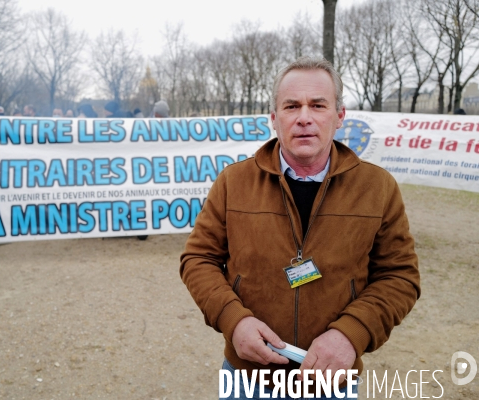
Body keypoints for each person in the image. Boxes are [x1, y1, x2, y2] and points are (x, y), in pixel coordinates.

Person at [180, 57, 420, 399]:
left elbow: (400, 277)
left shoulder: (377, 187)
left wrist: (351, 333)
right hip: (248, 377)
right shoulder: (233, 182)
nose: (304, 117)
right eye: (292, 106)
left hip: (331, 378)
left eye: (318, 105)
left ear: (339, 116)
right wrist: (235, 321)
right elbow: (198, 259)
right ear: (274, 119)